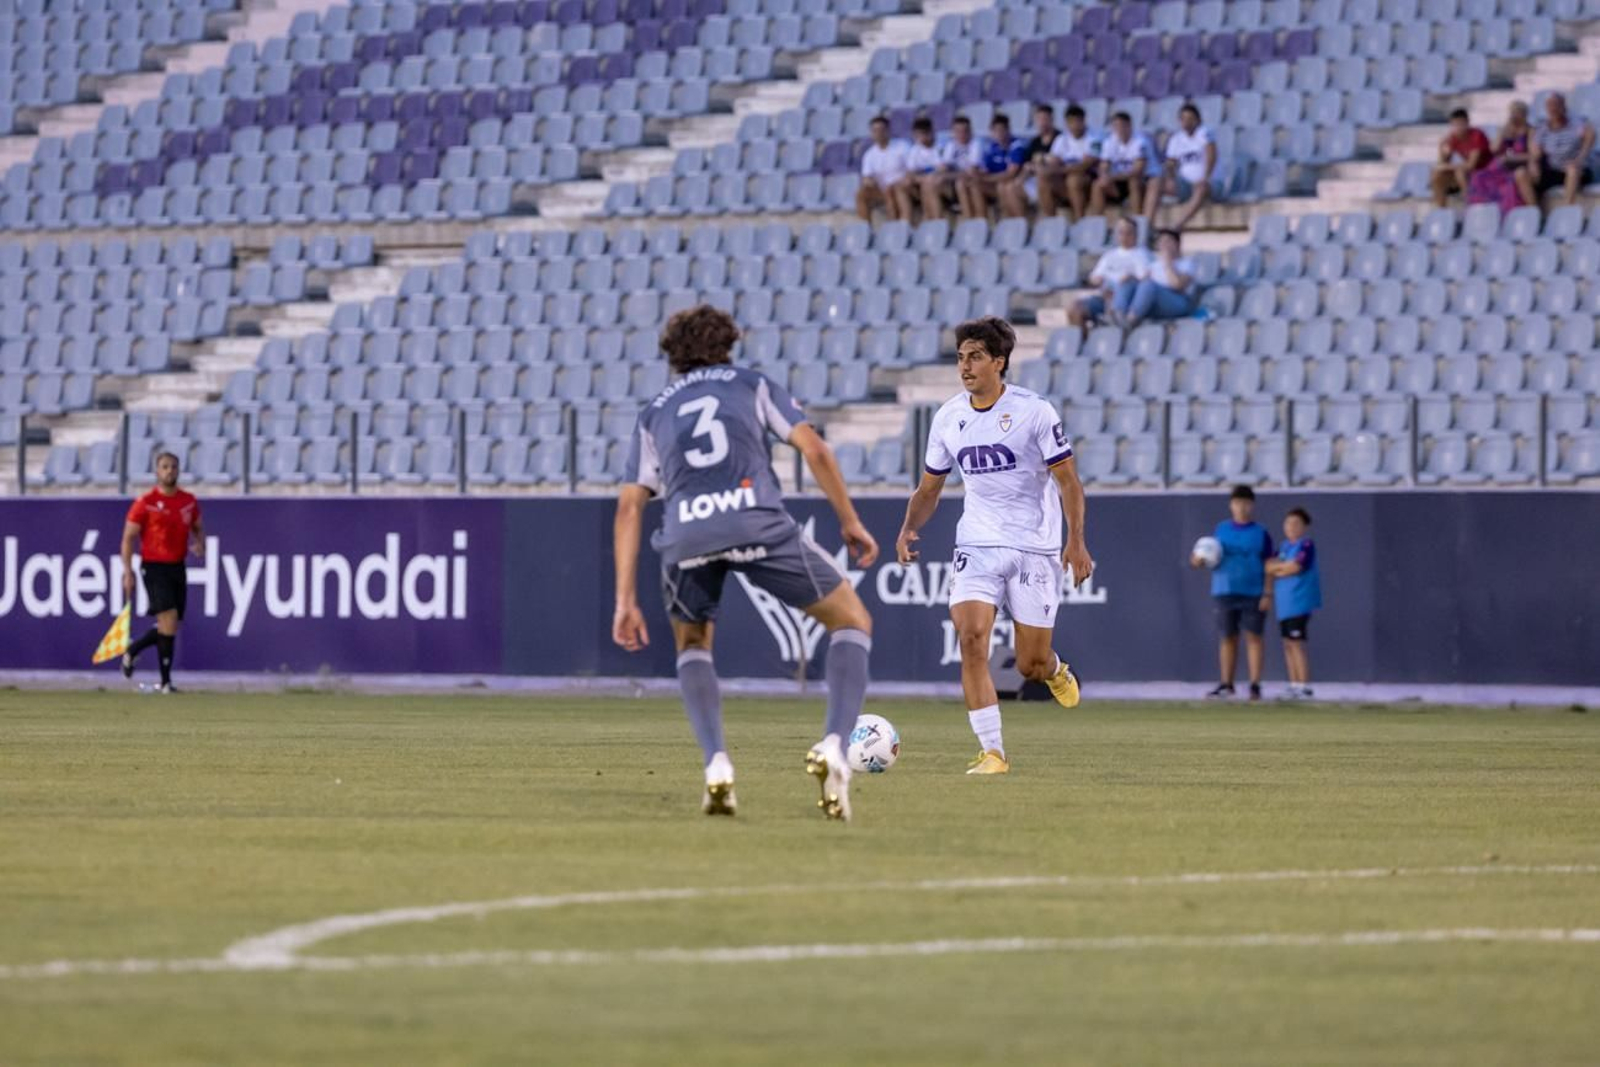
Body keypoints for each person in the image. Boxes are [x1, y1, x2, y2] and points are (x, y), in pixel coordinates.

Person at [613, 305, 880, 821]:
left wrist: (625, 599)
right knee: (851, 620)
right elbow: (816, 451)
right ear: (728, 344)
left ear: (673, 355)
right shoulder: (751, 384)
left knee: (692, 643)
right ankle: (834, 745)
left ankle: (716, 765)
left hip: (687, 532)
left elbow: (629, 505)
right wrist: (849, 521)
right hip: (754, 519)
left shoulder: (655, 410)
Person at [894, 316, 1093, 776]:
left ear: (999, 363)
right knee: (971, 639)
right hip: (977, 543)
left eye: (976, 356)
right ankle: (993, 753)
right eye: (961, 357)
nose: (965, 366)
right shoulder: (948, 417)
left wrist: (1075, 541)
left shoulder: (1035, 411)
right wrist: (907, 529)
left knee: (1030, 665)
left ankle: (1056, 669)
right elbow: (929, 489)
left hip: (1034, 547)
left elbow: (1068, 482)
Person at [119, 451, 204, 693]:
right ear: (157, 471)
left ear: (179, 470)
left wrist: (200, 544)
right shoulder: (145, 503)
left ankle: (133, 651)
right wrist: (128, 571)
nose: (169, 471)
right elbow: (128, 538)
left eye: (173, 467)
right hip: (154, 566)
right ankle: (166, 683)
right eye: (165, 467)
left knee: (170, 624)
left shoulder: (188, 501)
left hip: (177, 566)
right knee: (168, 617)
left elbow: (198, 527)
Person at [1191, 485, 1273, 700]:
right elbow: (1204, 556)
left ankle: (1255, 685)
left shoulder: (1261, 532)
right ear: (1231, 505)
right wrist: (1198, 560)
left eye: (1246, 503)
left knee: (1254, 637)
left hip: (1253, 591)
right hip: (1225, 590)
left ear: (1252, 505)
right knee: (1228, 637)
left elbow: (1270, 563)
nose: (1242, 508)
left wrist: (1267, 592)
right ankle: (1227, 684)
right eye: (1238, 503)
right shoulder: (1221, 530)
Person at [1265, 507, 1321, 701]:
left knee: (1297, 643)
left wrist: (1281, 569)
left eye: (1296, 524)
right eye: (1288, 523)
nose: (1291, 527)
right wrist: (1281, 568)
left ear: (1304, 527)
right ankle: (1294, 683)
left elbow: (1296, 567)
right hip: (1284, 604)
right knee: (1287, 643)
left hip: (1299, 601)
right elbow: (1270, 566)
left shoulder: (1306, 545)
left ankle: (1304, 686)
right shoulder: (1283, 547)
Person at [1068, 215, 1152, 335]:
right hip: (1104, 298)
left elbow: (1144, 280)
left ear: (1136, 235)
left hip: (1126, 301)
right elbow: (1094, 277)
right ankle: (1084, 344)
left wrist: (1126, 281)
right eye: (1121, 232)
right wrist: (1097, 280)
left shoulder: (1142, 255)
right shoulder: (1109, 255)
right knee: (1074, 308)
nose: (1124, 236)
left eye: (1128, 232)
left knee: (1118, 294)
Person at [1144, 102, 1218, 231]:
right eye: (1183, 119)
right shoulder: (1176, 139)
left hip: (1210, 183)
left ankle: (1176, 227)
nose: (1187, 122)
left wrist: (1205, 177)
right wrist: (1170, 175)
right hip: (1186, 185)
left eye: (1190, 119)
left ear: (1198, 120)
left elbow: (1211, 155)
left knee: (1201, 187)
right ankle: (1147, 227)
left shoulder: (1205, 132)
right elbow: (1171, 163)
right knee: (1156, 182)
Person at [1520, 93, 1596, 210]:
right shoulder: (1543, 129)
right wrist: (1533, 164)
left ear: (1563, 107)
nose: (1553, 109)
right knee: (1521, 174)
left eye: (1556, 105)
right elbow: (1536, 153)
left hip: (1577, 170)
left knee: (1572, 169)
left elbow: (1590, 135)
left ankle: (1566, 209)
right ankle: (1534, 213)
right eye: (1550, 106)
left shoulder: (1575, 124)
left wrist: (1579, 159)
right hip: (1554, 170)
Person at [1111, 227, 1194, 329]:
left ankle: (1129, 322)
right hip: (1153, 303)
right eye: (1161, 242)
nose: (1164, 245)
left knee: (1149, 285)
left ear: (1177, 244)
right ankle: (1119, 314)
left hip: (1177, 302)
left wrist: (1168, 263)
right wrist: (1132, 279)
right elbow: (1141, 287)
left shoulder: (1186, 264)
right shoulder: (1153, 265)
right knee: (1128, 282)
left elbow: (1177, 285)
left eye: (1168, 241)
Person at [1468, 100, 1534, 214]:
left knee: (1508, 184)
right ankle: (1481, 212)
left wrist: (1512, 158)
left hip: (1520, 165)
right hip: (1502, 165)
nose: (1515, 116)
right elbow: (1494, 149)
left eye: (1518, 113)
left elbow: (1533, 155)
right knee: (1478, 176)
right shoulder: (1505, 130)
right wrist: (1503, 133)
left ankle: (1510, 213)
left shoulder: (1530, 131)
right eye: (1513, 113)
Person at [1038, 103, 1101, 219]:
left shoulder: (1094, 138)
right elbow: (1053, 162)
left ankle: (1079, 219)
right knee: (1043, 178)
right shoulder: (1061, 139)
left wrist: (1061, 169)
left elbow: (1085, 166)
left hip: (1088, 179)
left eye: (1077, 121)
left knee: (1074, 180)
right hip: (1065, 177)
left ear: (1083, 121)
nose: (1074, 126)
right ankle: (1050, 220)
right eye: (1071, 122)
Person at [1000, 103, 1060, 218]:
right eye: (1039, 119)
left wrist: (1039, 164)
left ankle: (1050, 220)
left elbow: (1055, 162)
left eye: (1045, 119)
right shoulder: (1035, 142)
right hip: (1033, 179)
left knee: (1042, 183)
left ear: (1052, 119)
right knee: (1009, 187)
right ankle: (1022, 225)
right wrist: (1020, 179)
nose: (1042, 122)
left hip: (1051, 180)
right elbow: (1027, 165)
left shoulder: (1059, 138)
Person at [1090, 111, 1153, 218]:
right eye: (1116, 126)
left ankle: (1137, 220)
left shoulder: (1140, 142)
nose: (1119, 129)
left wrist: (1113, 177)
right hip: (1117, 184)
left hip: (1139, 183)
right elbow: (1103, 165)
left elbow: (1137, 170)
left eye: (1122, 126)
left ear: (1129, 126)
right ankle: (1097, 223)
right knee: (1098, 185)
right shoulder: (1109, 142)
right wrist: (1104, 175)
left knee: (1133, 182)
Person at [923, 113, 986, 221]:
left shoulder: (976, 144)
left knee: (960, 183)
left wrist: (945, 176)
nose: (961, 134)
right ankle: (936, 220)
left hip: (976, 180)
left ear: (970, 131)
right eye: (958, 131)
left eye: (965, 131)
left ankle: (969, 219)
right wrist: (935, 175)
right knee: (928, 181)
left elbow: (971, 172)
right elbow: (943, 167)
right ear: (953, 132)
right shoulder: (951, 145)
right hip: (955, 180)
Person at [963, 114, 1024, 221]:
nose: (999, 134)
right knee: (973, 185)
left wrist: (986, 178)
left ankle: (1015, 221)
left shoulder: (1016, 146)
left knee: (1004, 187)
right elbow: (984, 170)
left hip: (1015, 184)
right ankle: (981, 222)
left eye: (1001, 130)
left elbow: (1011, 174)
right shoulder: (992, 147)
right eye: (995, 131)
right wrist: (976, 173)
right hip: (997, 183)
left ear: (1008, 130)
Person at [1431, 108, 1491, 207]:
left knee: (1460, 172)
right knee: (1437, 174)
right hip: (1470, 173)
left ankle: (1470, 203)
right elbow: (1442, 162)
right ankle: (1441, 209)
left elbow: (1471, 165)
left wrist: (1446, 166)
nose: (1458, 128)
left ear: (1467, 123)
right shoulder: (1453, 138)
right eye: (1454, 125)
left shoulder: (1477, 135)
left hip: (1485, 170)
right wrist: (1441, 147)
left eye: (1460, 124)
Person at [855, 114, 909, 222]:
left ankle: (895, 226)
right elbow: (866, 177)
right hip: (882, 188)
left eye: (881, 130)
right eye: (875, 130)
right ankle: (865, 229)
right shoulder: (869, 154)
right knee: (861, 194)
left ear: (888, 130)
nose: (878, 133)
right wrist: (869, 182)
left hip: (901, 187)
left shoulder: (903, 147)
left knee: (891, 191)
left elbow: (911, 170)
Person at [898, 116, 943, 222]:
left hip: (943, 181)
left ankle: (936, 219)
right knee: (901, 185)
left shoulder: (941, 145)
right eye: (917, 135)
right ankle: (906, 221)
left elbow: (942, 169)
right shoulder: (915, 149)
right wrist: (920, 178)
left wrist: (923, 177)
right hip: (925, 180)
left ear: (931, 132)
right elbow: (910, 172)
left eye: (924, 134)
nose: (921, 138)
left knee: (928, 184)